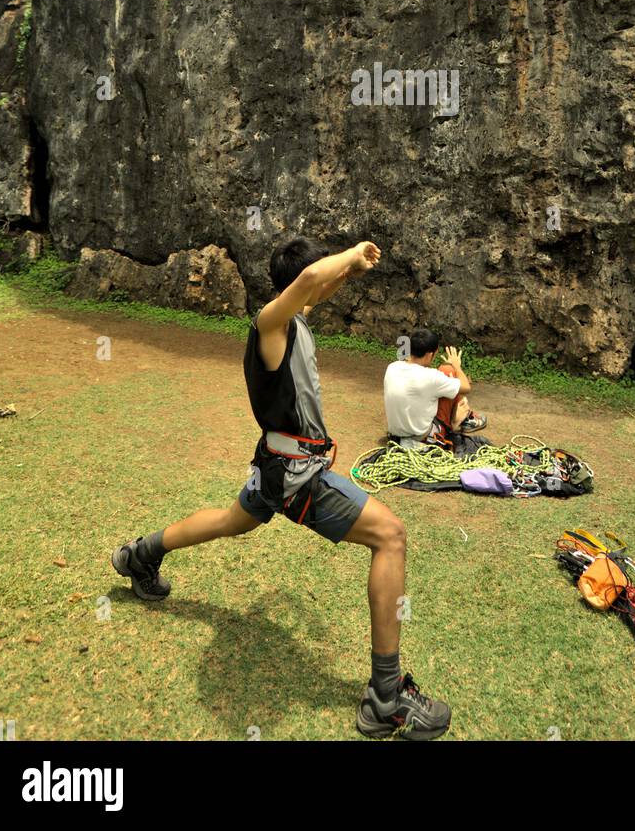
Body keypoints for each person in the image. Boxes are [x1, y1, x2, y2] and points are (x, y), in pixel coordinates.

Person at [110, 236, 451, 741]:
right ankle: (385, 698)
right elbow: (310, 283)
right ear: (294, 282)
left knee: (231, 521)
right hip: (297, 476)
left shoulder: (296, 319)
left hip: (274, 466)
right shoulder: (270, 324)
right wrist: (350, 256)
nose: (313, 290)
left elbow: (315, 289)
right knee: (391, 536)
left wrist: (348, 275)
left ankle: (140, 555)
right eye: (311, 279)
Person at [384, 328, 487, 449]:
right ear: (429, 355)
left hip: (396, 435)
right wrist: (456, 366)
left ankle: (465, 417)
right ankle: (463, 419)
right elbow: (466, 388)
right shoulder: (431, 377)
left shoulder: (392, 367)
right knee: (448, 371)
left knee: (444, 382)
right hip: (423, 437)